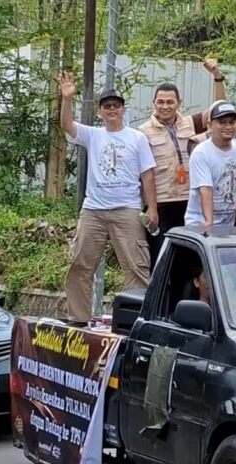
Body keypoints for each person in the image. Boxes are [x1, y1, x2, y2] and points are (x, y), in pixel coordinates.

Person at [58, 72, 158, 326]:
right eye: (107, 106)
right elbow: (67, 125)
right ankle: (77, 319)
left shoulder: (136, 137)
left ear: (123, 109)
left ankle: (136, 321)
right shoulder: (93, 134)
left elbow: (147, 175)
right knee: (80, 264)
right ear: (100, 111)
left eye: (116, 105)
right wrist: (67, 98)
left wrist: (152, 208)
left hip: (127, 208)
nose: (111, 110)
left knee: (136, 267)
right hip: (93, 209)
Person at [139, 59, 227, 264]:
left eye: (170, 102)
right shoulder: (143, 132)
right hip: (161, 203)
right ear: (154, 103)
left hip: (189, 202)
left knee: (188, 260)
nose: (165, 106)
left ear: (179, 102)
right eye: (160, 102)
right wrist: (148, 207)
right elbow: (143, 173)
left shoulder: (190, 123)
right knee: (161, 259)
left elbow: (220, 109)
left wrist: (217, 76)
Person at [185, 100, 236, 228]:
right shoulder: (201, 152)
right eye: (222, 122)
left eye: (232, 122)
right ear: (210, 125)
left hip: (229, 224)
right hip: (200, 222)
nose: (228, 127)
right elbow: (205, 189)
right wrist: (209, 221)